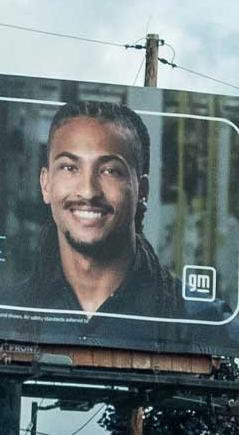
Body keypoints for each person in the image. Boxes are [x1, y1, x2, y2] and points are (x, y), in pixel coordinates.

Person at [12, 99, 184, 319]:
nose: (88, 191)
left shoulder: (203, 325)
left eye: (110, 171)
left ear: (142, 191)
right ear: (46, 185)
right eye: (69, 167)